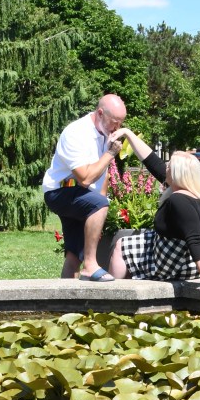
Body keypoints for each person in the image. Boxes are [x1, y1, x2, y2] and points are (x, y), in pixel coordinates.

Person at [107, 128, 200, 288]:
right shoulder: (193, 193)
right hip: (185, 262)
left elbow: (194, 239)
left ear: (175, 174)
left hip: (174, 266)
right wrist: (127, 133)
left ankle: (114, 293)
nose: (165, 167)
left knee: (122, 245)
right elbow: (151, 161)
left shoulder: (178, 200)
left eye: (169, 166)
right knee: (143, 238)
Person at [43, 94, 127, 281]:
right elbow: (85, 178)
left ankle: (67, 304)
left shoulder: (105, 132)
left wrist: (99, 218)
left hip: (80, 194)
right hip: (58, 191)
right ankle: (90, 265)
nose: (117, 128)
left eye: (121, 123)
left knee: (74, 255)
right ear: (100, 113)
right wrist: (111, 153)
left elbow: (101, 174)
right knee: (98, 204)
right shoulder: (76, 133)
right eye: (115, 122)